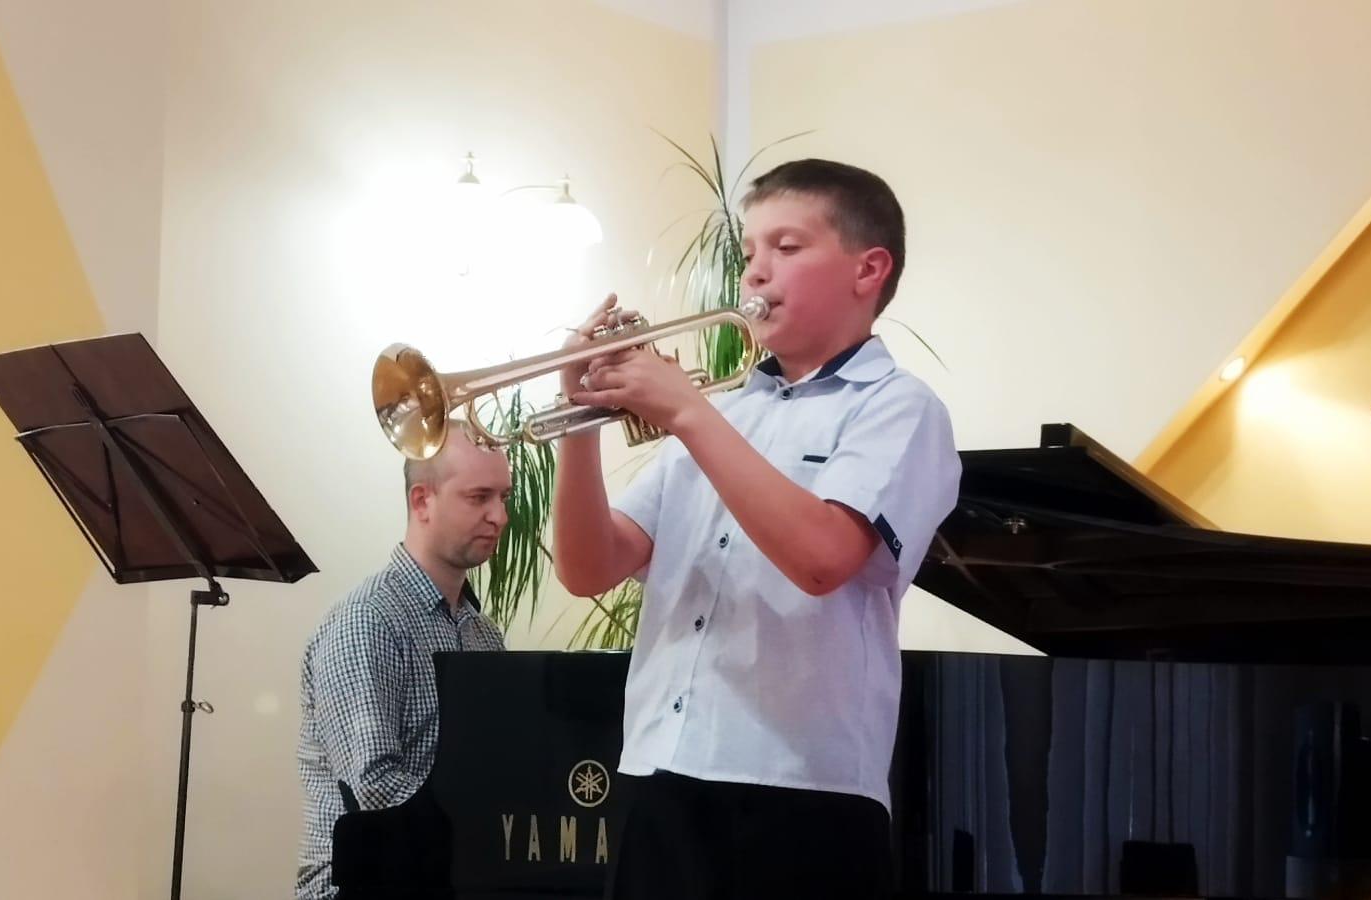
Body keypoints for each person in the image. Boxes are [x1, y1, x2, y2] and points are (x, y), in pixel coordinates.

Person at [550, 158, 962, 899]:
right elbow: (588, 569)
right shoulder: (725, 413)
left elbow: (822, 556)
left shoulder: (899, 408)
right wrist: (579, 425)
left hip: (802, 789)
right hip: (661, 770)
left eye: (787, 247)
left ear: (868, 270)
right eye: (749, 252)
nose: (756, 272)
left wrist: (687, 412)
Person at [295, 423, 512, 900]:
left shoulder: (483, 634)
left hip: (448, 875)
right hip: (362, 885)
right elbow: (374, 790)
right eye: (479, 497)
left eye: (504, 497)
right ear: (422, 501)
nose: (499, 516)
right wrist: (493, 828)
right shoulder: (366, 621)